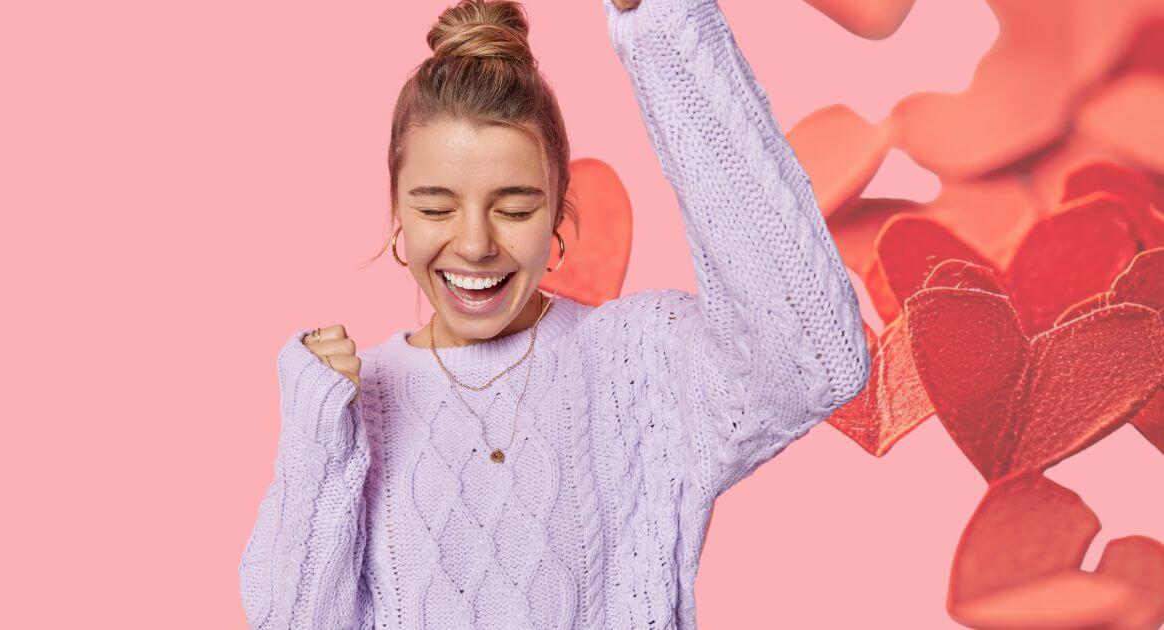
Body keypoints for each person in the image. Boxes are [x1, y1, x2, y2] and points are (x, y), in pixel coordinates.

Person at [238, 0, 872, 627]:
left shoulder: (635, 366)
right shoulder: (353, 405)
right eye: (436, 209)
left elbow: (817, 361)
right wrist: (317, 437)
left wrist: (664, 34)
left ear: (558, 208)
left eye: (514, 209)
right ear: (397, 209)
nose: (475, 244)